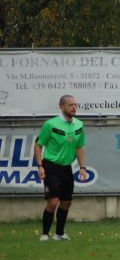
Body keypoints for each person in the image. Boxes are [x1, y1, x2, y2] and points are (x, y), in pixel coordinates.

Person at [34, 95, 87, 241]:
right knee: (53, 201)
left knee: (66, 202)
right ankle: (44, 234)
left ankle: (59, 233)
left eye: (75, 104)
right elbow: (38, 145)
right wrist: (39, 165)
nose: (74, 107)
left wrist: (83, 167)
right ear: (61, 107)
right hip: (50, 166)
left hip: (66, 167)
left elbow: (79, 146)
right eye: (70, 105)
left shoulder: (78, 125)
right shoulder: (50, 124)